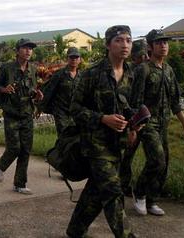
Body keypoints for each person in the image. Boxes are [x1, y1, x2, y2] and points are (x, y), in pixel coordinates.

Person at [67, 25, 137, 238]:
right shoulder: (92, 74)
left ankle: (75, 230)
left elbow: (130, 106)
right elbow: (75, 109)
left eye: (128, 40)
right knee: (112, 192)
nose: (124, 45)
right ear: (108, 45)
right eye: (119, 40)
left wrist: (135, 125)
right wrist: (102, 118)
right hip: (95, 144)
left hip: (119, 143)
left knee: (96, 192)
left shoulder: (131, 74)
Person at [131, 29, 184, 216]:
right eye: (159, 43)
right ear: (150, 47)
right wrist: (134, 127)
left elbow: (175, 100)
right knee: (156, 159)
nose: (163, 45)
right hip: (147, 123)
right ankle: (139, 193)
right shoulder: (143, 69)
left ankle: (152, 200)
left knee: (164, 162)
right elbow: (135, 101)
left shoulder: (168, 70)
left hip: (164, 123)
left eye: (165, 42)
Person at [0, 38, 43, 194]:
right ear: (17, 51)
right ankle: (1, 165)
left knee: (25, 150)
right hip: (12, 113)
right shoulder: (7, 68)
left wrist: (37, 95)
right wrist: (4, 89)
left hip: (27, 114)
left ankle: (20, 184)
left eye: (30, 48)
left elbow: (32, 89)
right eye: (25, 48)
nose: (28, 51)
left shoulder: (33, 69)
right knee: (14, 147)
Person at [120, 39, 149, 195]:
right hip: (130, 118)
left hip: (146, 119)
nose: (144, 59)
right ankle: (124, 185)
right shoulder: (128, 72)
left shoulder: (147, 70)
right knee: (128, 154)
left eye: (145, 55)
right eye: (140, 56)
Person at [38, 47, 81, 136]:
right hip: (61, 112)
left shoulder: (82, 76)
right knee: (63, 137)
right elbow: (49, 91)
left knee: (76, 138)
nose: (74, 60)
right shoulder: (59, 75)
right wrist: (40, 107)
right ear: (67, 59)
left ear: (80, 60)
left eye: (76, 57)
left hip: (76, 112)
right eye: (71, 57)